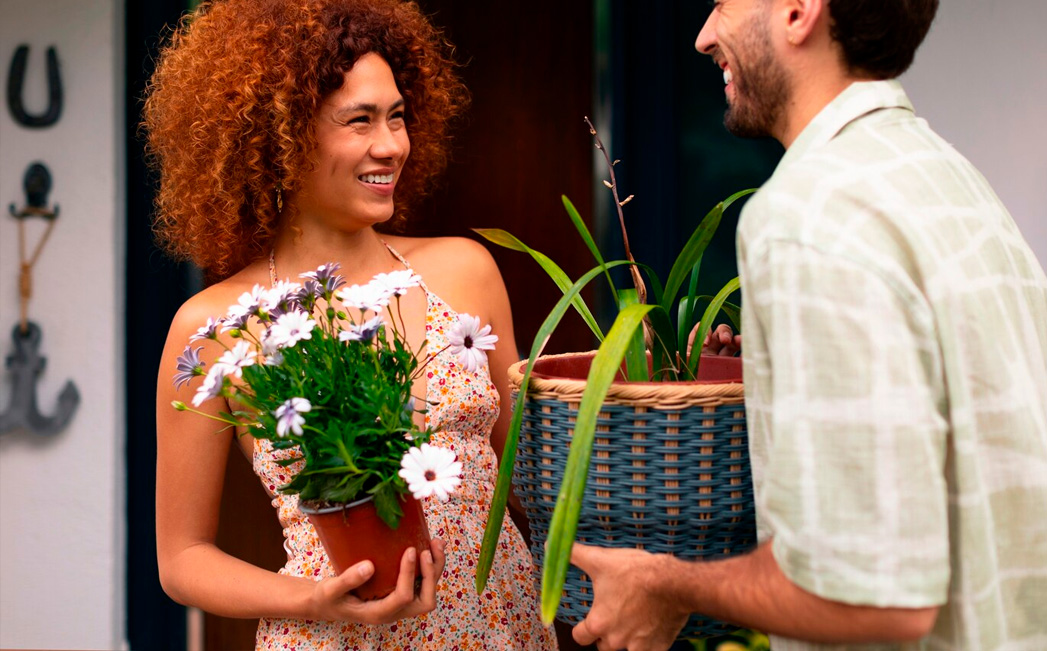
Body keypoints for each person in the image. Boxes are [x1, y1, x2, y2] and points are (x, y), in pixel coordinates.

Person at [568, 0, 1047, 649]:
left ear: (798, 11)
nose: (704, 37)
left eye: (721, 4)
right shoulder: (950, 182)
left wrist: (669, 583)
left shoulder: (808, 217)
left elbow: (875, 597)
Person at [145, 1, 557, 649]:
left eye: (396, 116)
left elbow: (535, 480)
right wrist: (315, 599)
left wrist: (626, 387)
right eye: (358, 120)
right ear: (277, 135)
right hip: (330, 636)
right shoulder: (215, 324)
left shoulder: (463, 270)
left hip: (493, 627)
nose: (390, 144)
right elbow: (183, 556)